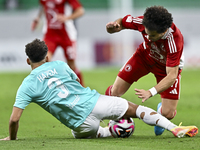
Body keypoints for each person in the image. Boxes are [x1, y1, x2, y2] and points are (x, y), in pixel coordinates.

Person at [0, 39, 198, 140]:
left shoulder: (26, 85)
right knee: (135, 109)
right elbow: (77, 85)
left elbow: (14, 119)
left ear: (28, 60)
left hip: (80, 125)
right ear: (48, 57)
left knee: (83, 133)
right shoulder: (60, 65)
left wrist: (13, 138)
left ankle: (110, 131)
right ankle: (174, 128)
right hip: (94, 103)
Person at [105, 6, 185, 135]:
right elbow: (121, 23)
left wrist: (151, 92)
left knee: (168, 114)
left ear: (164, 31)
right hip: (144, 57)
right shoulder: (143, 22)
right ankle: (108, 116)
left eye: (152, 35)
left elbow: (171, 76)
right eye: (146, 33)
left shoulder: (174, 41)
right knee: (115, 91)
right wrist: (113, 28)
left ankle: (160, 112)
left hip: (165, 69)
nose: (148, 37)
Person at [31, 0, 84, 86]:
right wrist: (38, 18)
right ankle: (49, 91)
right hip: (50, 35)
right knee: (44, 61)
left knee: (71, 66)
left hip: (66, 35)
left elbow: (80, 11)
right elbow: (43, 6)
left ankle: (82, 89)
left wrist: (66, 18)